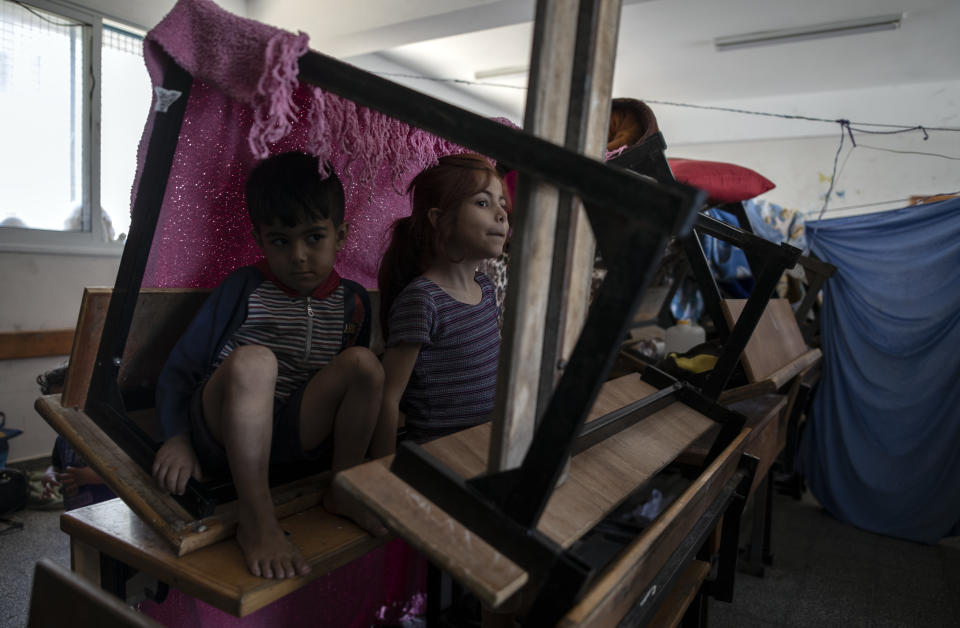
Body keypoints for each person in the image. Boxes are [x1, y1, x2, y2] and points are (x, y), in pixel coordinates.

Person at [153, 151, 393, 580]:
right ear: (260, 239)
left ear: (340, 236)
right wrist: (177, 438)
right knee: (256, 361)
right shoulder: (244, 288)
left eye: (313, 238)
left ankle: (345, 487)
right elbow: (182, 368)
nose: (299, 255)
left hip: (293, 434)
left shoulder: (352, 302)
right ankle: (256, 518)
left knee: (365, 365)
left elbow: (349, 395)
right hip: (222, 431)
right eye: (281, 240)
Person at [378, 153, 510, 444]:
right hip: (438, 455)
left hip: (487, 444)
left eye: (501, 203)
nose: (501, 214)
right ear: (440, 219)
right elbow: (387, 398)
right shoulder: (423, 301)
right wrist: (384, 477)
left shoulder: (486, 289)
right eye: (483, 202)